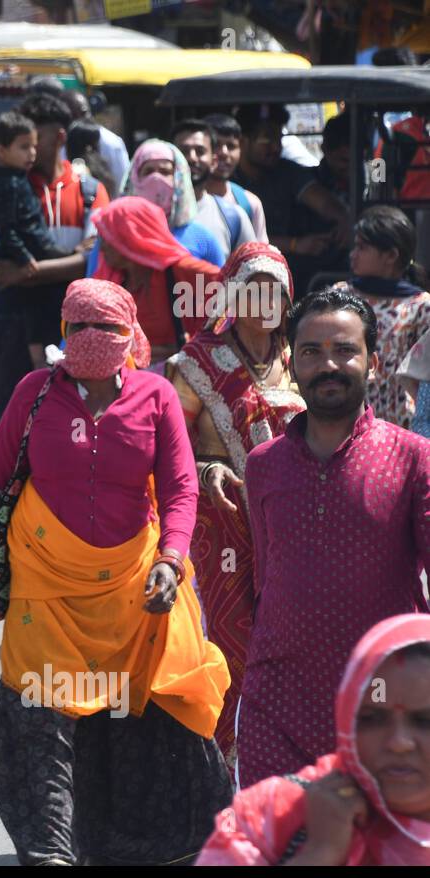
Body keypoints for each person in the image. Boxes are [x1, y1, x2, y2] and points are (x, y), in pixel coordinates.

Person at [0, 278, 231, 866]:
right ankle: (50, 853)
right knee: (41, 720)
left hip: (140, 588)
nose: (92, 338)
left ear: (131, 334)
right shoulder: (33, 394)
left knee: (143, 716)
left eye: (106, 328)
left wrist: (170, 562)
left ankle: (136, 848)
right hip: (46, 590)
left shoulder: (156, 398)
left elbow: (180, 490)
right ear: (63, 332)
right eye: (79, 327)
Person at [240, 289, 430, 789]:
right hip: (278, 702)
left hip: (385, 700)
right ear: (292, 360)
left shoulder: (412, 458)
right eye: (311, 351)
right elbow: (265, 578)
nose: (328, 365)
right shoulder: (263, 465)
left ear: (373, 362)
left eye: (344, 350)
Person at [166, 243, 303, 759]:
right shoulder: (197, 362)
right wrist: (208, 468)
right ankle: (222, 770)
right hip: (223, 529)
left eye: (275, 293)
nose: (264, 303)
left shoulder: (300, 357)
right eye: (253, 290)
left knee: (291, 645)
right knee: (230, 645)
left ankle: (280, 762)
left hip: (291, 528)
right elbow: (171, 447)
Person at [198, 614, 430, 866]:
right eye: (373, 718)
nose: (399, 742)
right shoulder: (264, 818)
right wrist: (320, 852)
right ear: (346, 719)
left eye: (425, 721)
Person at [0, 92, 110, 424]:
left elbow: (93, 260)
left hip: (73, 324)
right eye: (24, 143)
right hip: (13, 325)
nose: (31, 150)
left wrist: (26, 272)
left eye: (36, 140)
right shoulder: (8, 190)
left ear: (60, 138)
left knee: (70, 414)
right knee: (9, 413)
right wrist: (65, 265)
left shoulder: (90, 190)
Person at [0, 110, 71, 371]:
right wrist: (25, 260)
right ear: (1, 150)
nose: (31, 154)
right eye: (24, 147)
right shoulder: (8, 183)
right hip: (27, 252)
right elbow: (7, 228)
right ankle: (41, 364)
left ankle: (41, 363)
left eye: (33, 146)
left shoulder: (14, 178)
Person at [329, 205, 430, 429]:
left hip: (403, 424)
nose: (353, 254)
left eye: (362, 248)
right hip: (347, 423)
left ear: (391, 256)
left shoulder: (420, 306)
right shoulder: (340, 296)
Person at [233, 103, 349, 292]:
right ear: (243, 141)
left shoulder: (287, 172)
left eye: (279, 138)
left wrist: (343, 218)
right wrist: (295, 245)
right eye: (267, 139)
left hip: (287, 270)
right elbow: (244, 241)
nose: (276, 147)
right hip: (242, 270)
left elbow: (323, 202)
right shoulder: (227, 181)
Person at [92, 196, 222, 364]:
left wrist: (192, 347)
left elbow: (242, 297)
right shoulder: (111, 278)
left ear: (131, 236)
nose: (101, 247)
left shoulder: (181, 271)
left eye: (106, 237)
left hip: (180, 380)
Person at [113, 139, 224, 267]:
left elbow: (221, 283)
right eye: (148, 171)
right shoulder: (114, 235)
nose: (156, 178)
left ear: (179, 180)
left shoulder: (202, 238)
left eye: (165, 172)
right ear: (135, 178)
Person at [172, 119, 254, 260]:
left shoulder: (234, 217)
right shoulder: (153, 215)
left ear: (213, 161)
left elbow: (252, 270)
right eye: (184, 151)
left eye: (200, 151)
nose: (192, 158)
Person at [203, 113, 268, 242]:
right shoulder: (182, 200)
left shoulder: (250, 204)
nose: (224, 153)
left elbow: (260, 256)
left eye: (231, 146)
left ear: (240, 150)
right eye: (216, 145)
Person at [58, 87, 128, 190]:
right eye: (72, 116)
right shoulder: (57, 143)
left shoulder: (111, 143)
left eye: (83, 113)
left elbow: (121, 185)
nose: (79, 119)